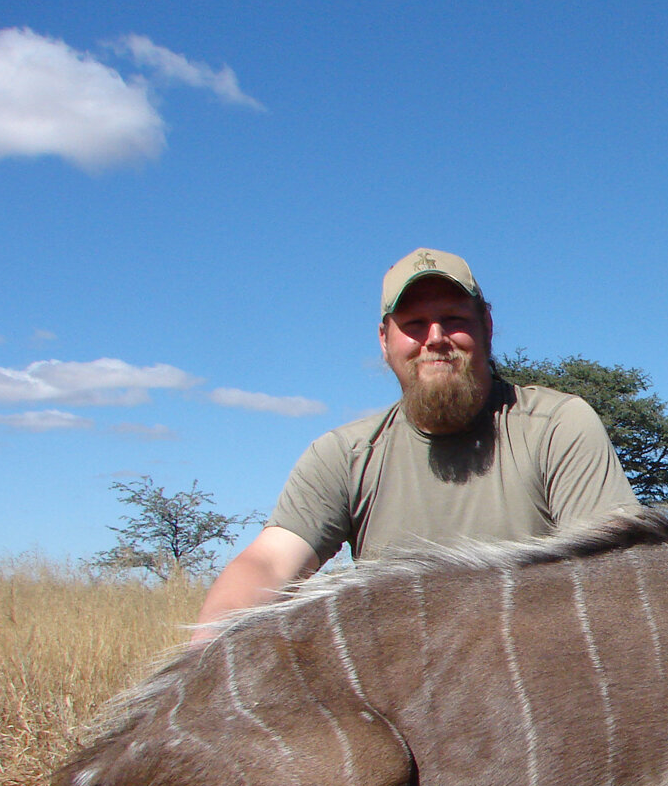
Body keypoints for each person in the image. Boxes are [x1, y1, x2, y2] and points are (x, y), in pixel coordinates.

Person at [197, 248, 640, 630]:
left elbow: (618, 573)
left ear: (486, 324)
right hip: (400, 692)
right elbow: (271, 562)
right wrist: (208, 654)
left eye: (453, 319)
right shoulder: (344, 455)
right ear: (384, 339)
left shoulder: (557, 426)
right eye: (414, 323)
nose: (435, 339)